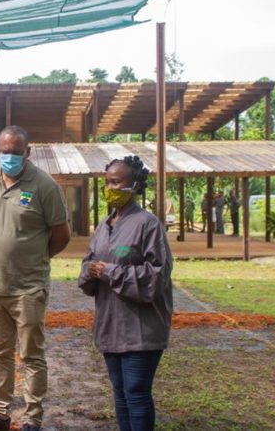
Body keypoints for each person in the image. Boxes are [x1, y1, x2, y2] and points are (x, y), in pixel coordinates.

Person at [0, 126, 71, 431]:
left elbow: (61, 234)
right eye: (4, 150)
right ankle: (0, 414)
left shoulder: (44, 186)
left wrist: (35, 259)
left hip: (28, 288)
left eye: (16, 151)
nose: (9, 156)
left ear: (28, 151)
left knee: (31, 356)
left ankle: (32, 420)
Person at [78, 155, 173, 431]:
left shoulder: (148, 224)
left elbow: (157, 276)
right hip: (110, 325)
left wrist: (110, 272)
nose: (110, 188)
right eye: (107, 182)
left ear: (134, 186)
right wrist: (90, 271)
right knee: (119, 392)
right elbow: (87, 265)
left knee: (136, 391)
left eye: (116, 182)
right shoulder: (103, 227)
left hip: (140, 329)